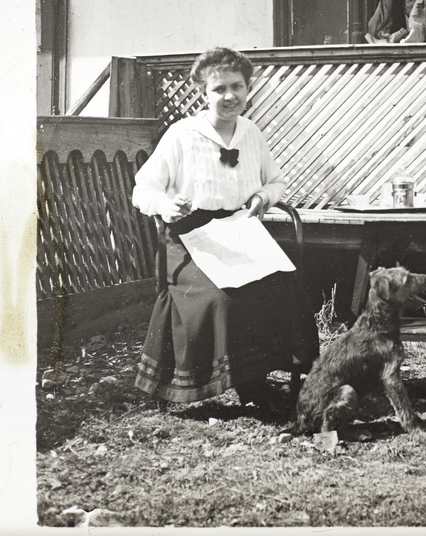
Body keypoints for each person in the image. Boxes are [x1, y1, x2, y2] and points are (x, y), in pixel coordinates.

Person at [130, 47, 320, 407]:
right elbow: (144, 189)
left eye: (238, 87)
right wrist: (169, 206)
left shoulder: (251, 132)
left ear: (249, 90)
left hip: (239, 232)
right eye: (219, 89)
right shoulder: (182, 134)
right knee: (223, 298)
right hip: (189, 237)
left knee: (283, 286)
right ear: (203, 93)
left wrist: (262, 197)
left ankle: (256, 382)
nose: (230, 96)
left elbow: (277, 182)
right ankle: (193, 385)